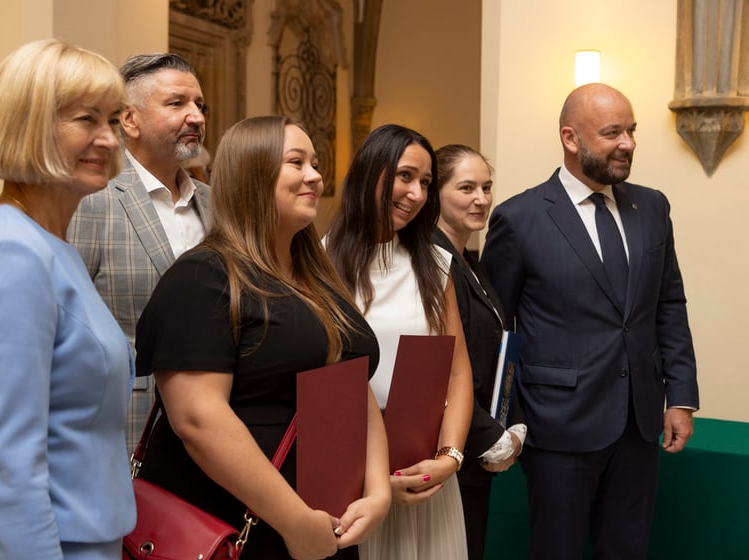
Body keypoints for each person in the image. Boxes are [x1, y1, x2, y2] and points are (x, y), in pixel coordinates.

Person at [134, 116, 392, 559]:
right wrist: (295, 521)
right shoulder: (203, 278)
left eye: (315, 163)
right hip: (236, 533)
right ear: (253, 173)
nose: (315, 175)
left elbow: (354, 380)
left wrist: (378, 489)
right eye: (297, 162)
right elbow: (198, 420)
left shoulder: (318, 276)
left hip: (324, 523)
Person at [482, 83, 699, 559]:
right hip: (557, 427)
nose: (629, 143)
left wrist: (680, 395)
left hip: (639, 424)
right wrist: (506, 422)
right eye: (613, 132)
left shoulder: (653, 207)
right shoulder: (519, 219)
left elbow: (669, 304)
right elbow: (497, 330)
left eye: (632, 131)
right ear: (570, 138)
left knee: (626, 550)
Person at [0, 39, 135, 558]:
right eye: (86, 119)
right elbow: (7, 462)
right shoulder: (11, 251)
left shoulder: (50, 245)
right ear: (29, 124)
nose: (110, 140)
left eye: (114, 120)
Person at [325, 124, 474, 560]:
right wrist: (374, 480)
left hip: (426, 470)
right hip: (353, 482)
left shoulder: (436, 264)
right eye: (405, 176)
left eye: (425, 183)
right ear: (372, 171)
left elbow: (459, 370)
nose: (416, 194)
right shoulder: (320, 262)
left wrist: (449, 459)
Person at [67, 52, 212, 455]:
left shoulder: (216, 203)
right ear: (130, 120)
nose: (197, 117)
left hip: (217, 426)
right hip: (125, 424)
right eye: (177, 103)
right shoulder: (93, 199)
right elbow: (67, 322)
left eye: (199, 105)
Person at [432, 144, 527, 558]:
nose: (482, 199)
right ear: (435, 193)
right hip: (448, 450)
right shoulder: (430, 262)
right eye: (466, 187)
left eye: (487, 187)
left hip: (478, 450)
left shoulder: (469, 260)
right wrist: (488, 435)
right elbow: (439, 371)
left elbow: (495, 350)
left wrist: (514, 423)